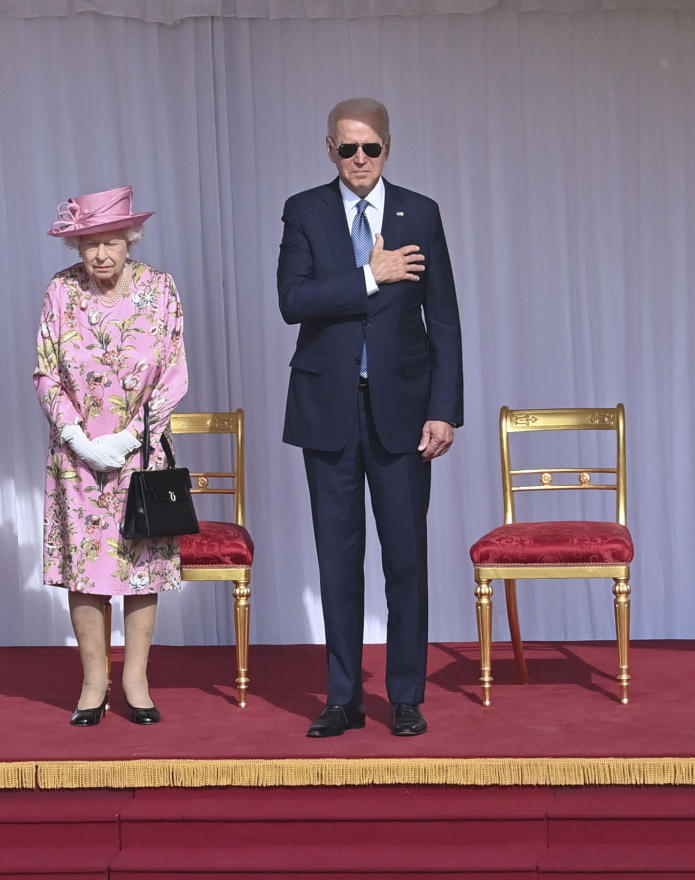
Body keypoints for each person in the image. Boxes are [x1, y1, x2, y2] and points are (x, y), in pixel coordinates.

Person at [277, 98, 463, 738]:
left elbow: (443, 320)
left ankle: (406, 695)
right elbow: (292, 300)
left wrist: (445, 410)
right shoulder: (304, 211)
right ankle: (343, 698)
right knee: (337, 558)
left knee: (406, 557)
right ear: (329, 148)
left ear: (388, 147)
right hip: (327, 408)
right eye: (347, 148)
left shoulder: (422, 212)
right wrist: (369, 275)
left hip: (405, 414)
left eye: (371, 148)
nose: (359, 159)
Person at [34, 186, 189, 726]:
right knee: (86, 568)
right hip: (77, 459)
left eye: (110, 242)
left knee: (140, 567)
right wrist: (78, 438)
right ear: (76, 247)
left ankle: (136, 680)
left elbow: (174, 374)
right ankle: (93, 681)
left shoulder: (161, 289)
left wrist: (127, 440)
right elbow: (46, 371)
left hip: (141, 455)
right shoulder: (60, 291)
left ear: (130, 239)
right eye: (89, 243)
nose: (100, 254)